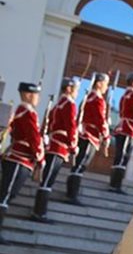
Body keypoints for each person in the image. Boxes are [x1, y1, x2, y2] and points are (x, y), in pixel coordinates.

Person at [0, 82, 44, 244]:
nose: (38, 98)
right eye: (36, 94)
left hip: (21, 158)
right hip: (18, 158)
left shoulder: (24, 111)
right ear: (27, 95)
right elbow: (33, 137)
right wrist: (40, 157)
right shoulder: (27, 112)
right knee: (5, 195)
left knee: (8, 195)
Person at [31, 77, 80, 222]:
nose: (77, 93)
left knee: (47, 179)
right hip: (59, 146)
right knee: (47, 180)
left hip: (52, 144)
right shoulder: (69, 104)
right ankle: (39, 212)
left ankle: (39, 211)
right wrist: (73, 145)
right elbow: (71, 126)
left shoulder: (58, 104)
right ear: (69, 89)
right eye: (76, 89)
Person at [67, 73, 110, 205]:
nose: (106, 87)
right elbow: (100, 120)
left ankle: (71, 191)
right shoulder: (97, 100)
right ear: (98, 83)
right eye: (105, 83)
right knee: (80, 165)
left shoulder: (88, 98)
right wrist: (106, 135)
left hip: (84, 134)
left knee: (78, 165)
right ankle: (72, 194)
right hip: (89, 136)